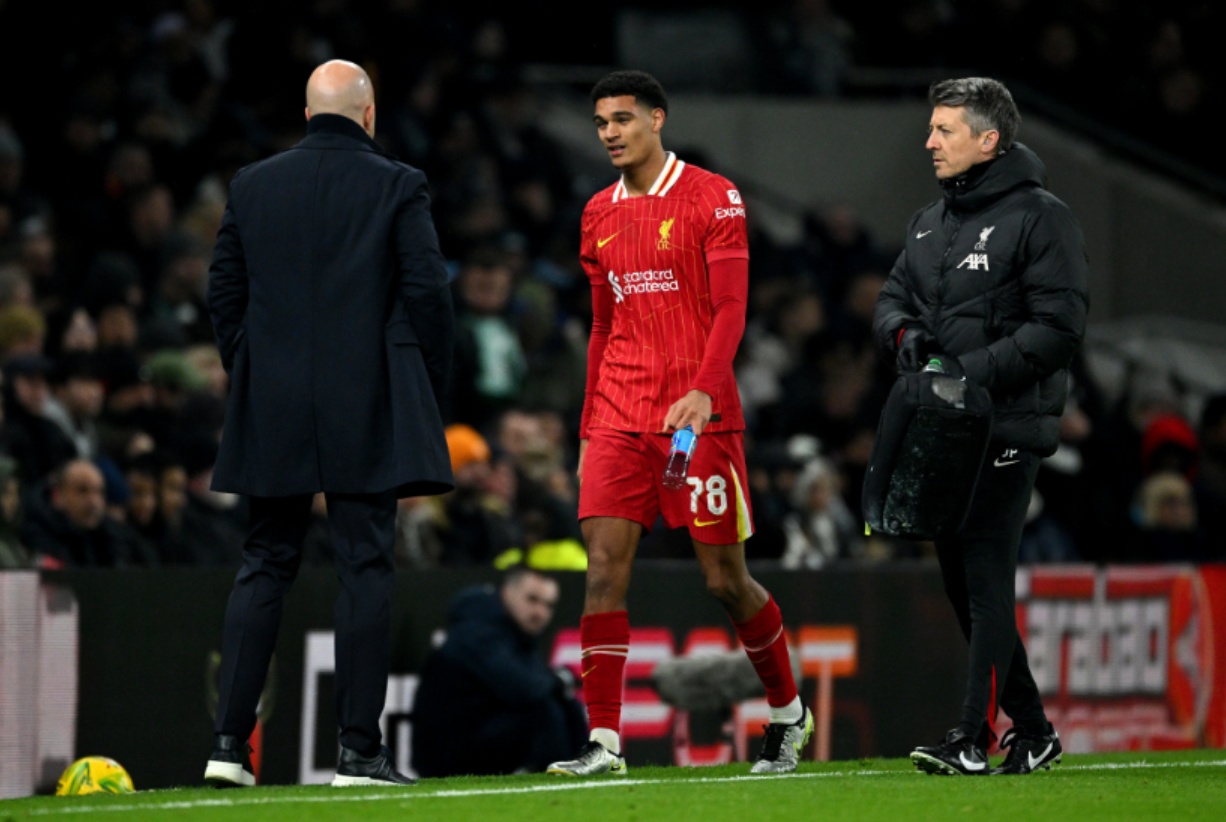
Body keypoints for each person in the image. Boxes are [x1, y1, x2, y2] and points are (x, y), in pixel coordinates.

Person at [546, 70, 811, 778]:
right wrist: (585, 427)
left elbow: (730, 309)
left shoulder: (712, 197)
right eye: (601, 120)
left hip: (698, 420)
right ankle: (603, 743)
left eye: (623, 118)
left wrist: (702, 391)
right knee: (602, 570)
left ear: (657, 120)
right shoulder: (597, 212)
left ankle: (788, 712)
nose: (609, 131)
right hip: (618, 416)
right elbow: (603, 325)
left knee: (725, 579)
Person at [202, 59, 455, 789]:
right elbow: (427, 292)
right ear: (369, 114)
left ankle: (227, 747)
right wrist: (423, 386)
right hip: (367, 398)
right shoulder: (397, 183)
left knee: (265, 560)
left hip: (272, 400)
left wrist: (252, 369)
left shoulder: (252, 184)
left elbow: (224, 289)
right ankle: (356, 753)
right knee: (365, 565)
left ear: (309, 113)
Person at [873, 77, 1089, 776]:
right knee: (964, 586)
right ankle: (1034, 730)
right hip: (947, 427)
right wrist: (903, 335)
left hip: (1006, 425)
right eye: (932, 129)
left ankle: (970, 735)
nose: (929, 142)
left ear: (988, 140)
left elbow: (1058, 329)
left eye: (944, 130)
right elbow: (893, 297)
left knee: (987, 577)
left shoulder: (1041, 217)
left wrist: (968, 374)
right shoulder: (929, 221)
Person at [411, 566, 587, 777]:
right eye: (532, 599)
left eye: (548, 605)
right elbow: (524, 688)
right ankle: (559, 786)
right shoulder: (477, 631)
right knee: (543, 712)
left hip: (480, 732)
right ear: (507, 593)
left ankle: (585, 775)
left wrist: (556, 683)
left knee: (569, 707)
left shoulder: (515, 632)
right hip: (445, 752)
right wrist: (557, 680)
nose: (540, 612)